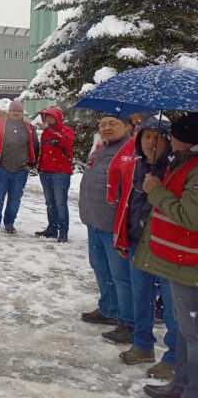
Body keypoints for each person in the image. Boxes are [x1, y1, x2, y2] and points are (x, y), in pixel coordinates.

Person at [136, 113, 198, 398]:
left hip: (191, 264)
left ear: (185, 140)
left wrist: (156, 191)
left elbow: (191, 215)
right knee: (188, 332)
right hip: (181, 261)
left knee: (194, 334)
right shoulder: (185, 162)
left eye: (172, 135)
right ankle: (181, 384)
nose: (167, 140)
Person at [112, 117, 178, 381]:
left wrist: (159, 188)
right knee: (142, 298)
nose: (152, 142)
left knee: (173, 307)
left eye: (159, 136)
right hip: (139, 243)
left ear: (169, 140)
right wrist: (122, 237)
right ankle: (143, 346)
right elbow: (124, 204)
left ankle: (173, 358)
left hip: (167, 248)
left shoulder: (176, 169)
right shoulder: (136, 167)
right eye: (147, 136)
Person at [79, 114, 134, 344]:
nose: (107, 128)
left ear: (127, 127)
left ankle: (128, 323)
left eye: (113, 124)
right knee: (100, 268)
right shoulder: (101, 150)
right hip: (95, 223)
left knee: (121, 276)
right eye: (103, 124)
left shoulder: (129, 153)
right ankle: (109, 309)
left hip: (115, 227)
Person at [0, 99, 40, 234]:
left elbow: (35, 147)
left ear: (22, 114)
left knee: (15, 198)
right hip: (0, 168)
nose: (16, 113)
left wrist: (30, 164)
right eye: (14, 111)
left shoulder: (29, 128)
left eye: (19, 111)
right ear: (9, 112)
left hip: (21, 170)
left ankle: (9, 223)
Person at [35, 107, 75, 242]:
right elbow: (44, 152)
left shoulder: (67, 130)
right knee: (50, 202)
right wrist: (40, 168)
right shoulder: (45, 134)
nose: (48, 120)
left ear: (58, 118)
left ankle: (63, 232)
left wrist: (50, 130)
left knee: (60, 203)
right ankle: (52, 229)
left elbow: (66, 142)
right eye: (46, 118)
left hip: (61, 173)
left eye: (51, 117)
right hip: (46, 171)